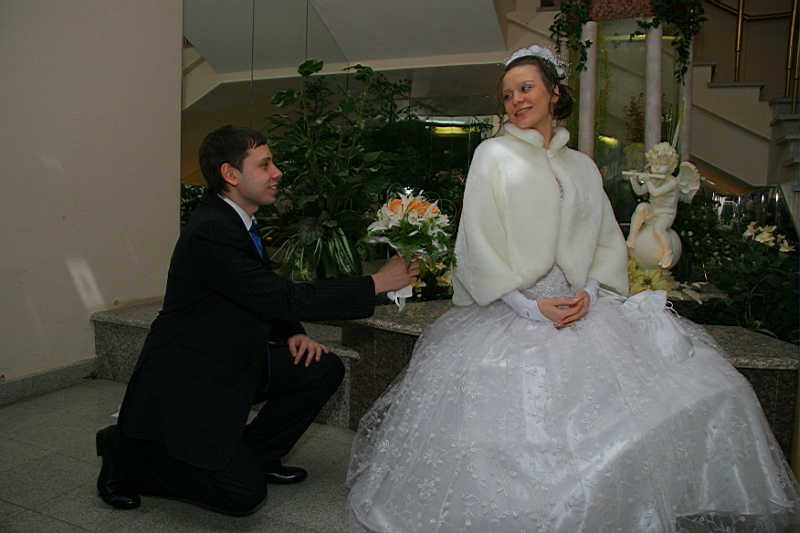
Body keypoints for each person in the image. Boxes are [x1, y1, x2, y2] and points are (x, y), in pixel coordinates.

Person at [345, 46, 799, 532]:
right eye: (508, 95)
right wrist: (529, 306)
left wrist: (592, 292)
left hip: (585, 308)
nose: (516, 101)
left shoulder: (582, 165)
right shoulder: (492, 154)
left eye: (526, 88)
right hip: (515, 309)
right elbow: (477, 239)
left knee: (700, 391)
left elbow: (603, 237)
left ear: (554, 93)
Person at [95, 125, 420, 515]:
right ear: (230, 174)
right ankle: (124, 454)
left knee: (321, 369)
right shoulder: (212, 230)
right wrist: (376, 283)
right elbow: (282, 295)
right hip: (191, 378)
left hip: (234, 359)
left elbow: (256, 290)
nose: (277, 173)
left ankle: (256, 456)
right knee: (242, 497)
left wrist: (291, 332)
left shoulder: (238, 219)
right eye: (265, 165)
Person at [625, 142, 681, 268]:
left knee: (658, 229)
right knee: (641, 208)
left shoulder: (673, 182)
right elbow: (640, 191)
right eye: (654, 164)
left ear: (671, 166)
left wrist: (648, 180)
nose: (657, 168)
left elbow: (655, 193)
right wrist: (634, 181)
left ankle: (668, 252)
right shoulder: (655, 179)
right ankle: (632, 236)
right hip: (653, 210)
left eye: (662, 165)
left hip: (666, 213)